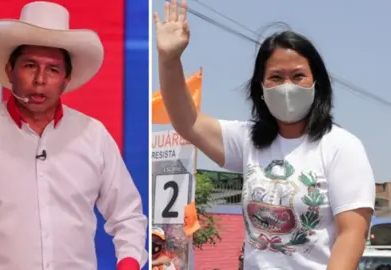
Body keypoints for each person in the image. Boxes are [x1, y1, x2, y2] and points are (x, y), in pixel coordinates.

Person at [0, 2, 147, 270]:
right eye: (30, 66)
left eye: (53, 70)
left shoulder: (93, 135)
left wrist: (129, 263)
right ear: (9, 71)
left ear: (65, 80)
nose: (40, 80)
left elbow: (128, 216)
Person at [153, 0, 375, 269]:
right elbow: (187, 121)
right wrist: (169, 59)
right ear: (260, 87)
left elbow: (352, 234)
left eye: (298, 76)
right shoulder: (248, 141)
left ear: (317, 84)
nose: (287, 87)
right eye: (276, 78)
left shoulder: (341, 147)